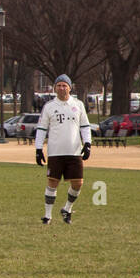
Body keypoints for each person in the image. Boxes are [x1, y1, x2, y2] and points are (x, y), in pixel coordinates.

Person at [34, 74, 91, 224]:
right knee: (52, 182)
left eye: (64, 85)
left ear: (70, 88)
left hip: (74, 151)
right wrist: (38, 149)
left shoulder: (78, 105)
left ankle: (67, 209)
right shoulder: (49, 106)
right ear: (55, 88)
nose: (61, 88)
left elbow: (85, 126)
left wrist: (88, 144)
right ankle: (47, 216)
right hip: (55, 152)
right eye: (58, 85)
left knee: (78, 183)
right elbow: (41, 128)